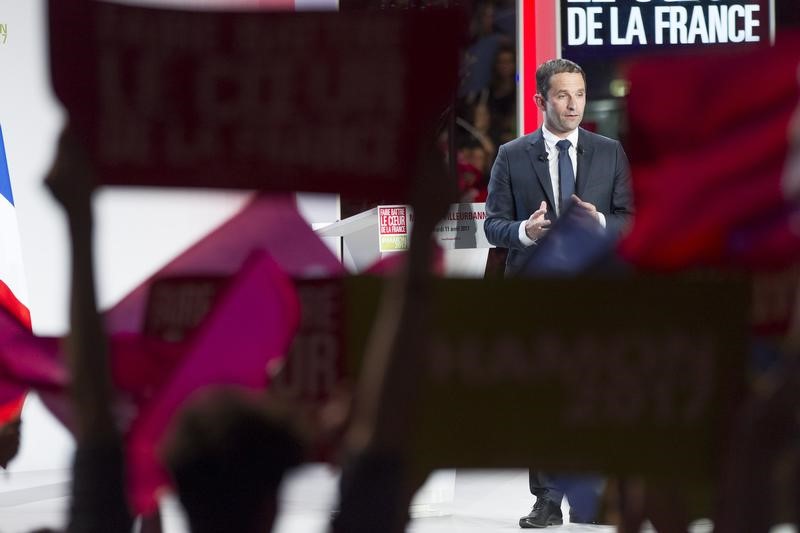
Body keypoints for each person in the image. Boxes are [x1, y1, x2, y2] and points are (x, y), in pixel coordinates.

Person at [483, 58, 634, 528]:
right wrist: (525, 232)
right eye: (563, 96)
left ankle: (592, 494)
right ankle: (547, 498)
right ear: (540, 101)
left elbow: (631, 218)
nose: (573, 105)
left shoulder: (609, 151)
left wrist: (603, 223)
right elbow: (492, 225)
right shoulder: (511, 154)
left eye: (580, 95)